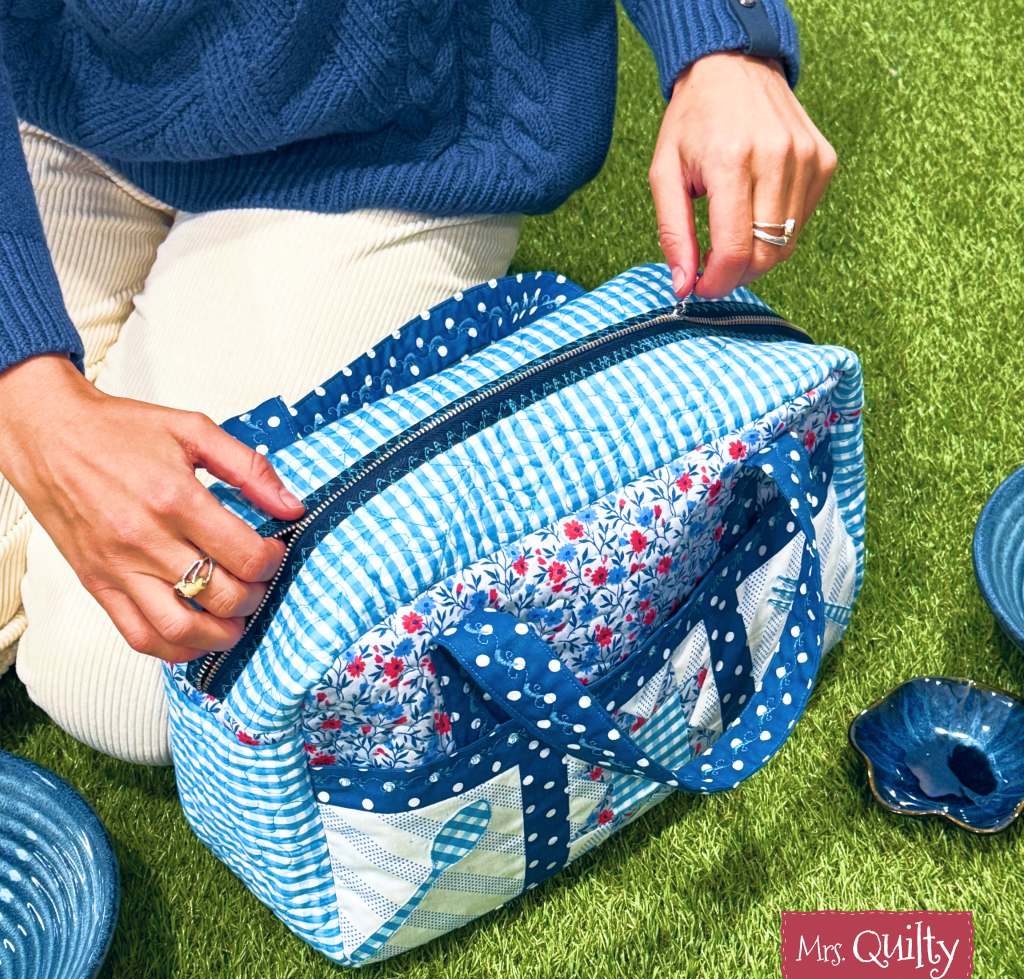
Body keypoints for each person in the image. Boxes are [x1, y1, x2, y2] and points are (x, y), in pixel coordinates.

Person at [0, 0, 836, 764]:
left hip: (390, 127)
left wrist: (724, 42)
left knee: (122, 677)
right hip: (44, 82)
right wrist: (31, 398)